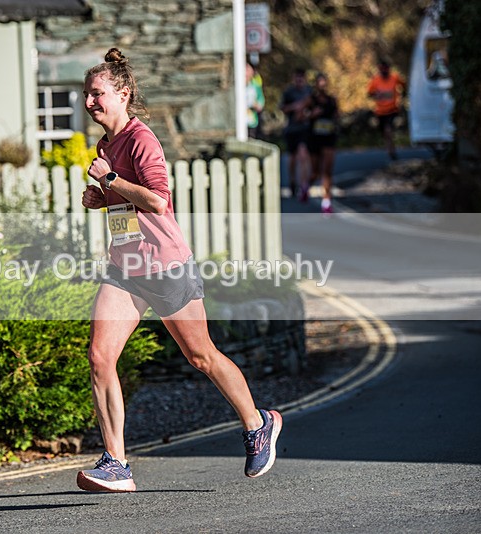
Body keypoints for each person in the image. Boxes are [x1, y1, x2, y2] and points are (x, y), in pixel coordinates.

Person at [77, 47, 282, 493]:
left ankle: (258, 422)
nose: (89, 102)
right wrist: (102, 200)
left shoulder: (141, 140)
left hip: (166, 266)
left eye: (97, 94)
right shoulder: (105, 145)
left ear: (122, 94)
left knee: (200, 356)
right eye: (87, 95)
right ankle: (116, 463)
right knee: (100, 356)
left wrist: (109, 180)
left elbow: (157, 201)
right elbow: (127, 205)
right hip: (125, 266)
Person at [307, 73, 339, 215]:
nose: (322, 86)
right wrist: (311, 114)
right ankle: (306, 186)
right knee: (315, 172)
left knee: (327, 171)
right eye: (319, 83)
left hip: (329, 137)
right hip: (314, 138)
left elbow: (337, 116)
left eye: (324, 83)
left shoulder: (332, 100)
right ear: (315, 84)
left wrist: (335, 124)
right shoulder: (310, 100)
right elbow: (300, 116)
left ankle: (326, 201)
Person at [280, 68, 312, 200]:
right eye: (297, 78)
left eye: (301, 78)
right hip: (292, 129)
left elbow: (314, 107)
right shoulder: (289, 92)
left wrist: (306, 113)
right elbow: (283, 108)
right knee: (292, 158)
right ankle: (292, 181)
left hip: (304, 129)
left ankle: (303, 184)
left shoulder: (309, 92)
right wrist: (295, 106)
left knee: (303, 156)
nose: (299, 80)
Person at [367, 59, 406, 160]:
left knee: (388, 130)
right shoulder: (375, 80)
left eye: (385, 69)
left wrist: (403, 95)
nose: (384, 71)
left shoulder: (394, 78)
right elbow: (369, 93)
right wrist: (376, 94)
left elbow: (404, 84)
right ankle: (389, 147)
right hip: (380, 112)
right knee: (385, 132)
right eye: (381, 69)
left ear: (388, 69)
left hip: (392, 110)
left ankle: (392, 150)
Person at [246, 62, 265, 139]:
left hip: (251, 122)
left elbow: (260, 104)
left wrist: (252, 104)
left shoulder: (255, 86)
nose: (245, 73)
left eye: (248, 70)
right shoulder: (234, 86)